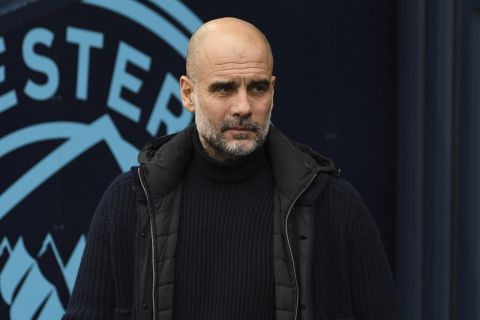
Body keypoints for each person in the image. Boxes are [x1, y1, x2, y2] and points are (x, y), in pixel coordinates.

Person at [63, 17, 404, 320]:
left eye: (257, 88)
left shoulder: (331, 204)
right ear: (188, 93)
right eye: (224, 88)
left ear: (273, 90)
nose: (243, 106)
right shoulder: (129, 203)